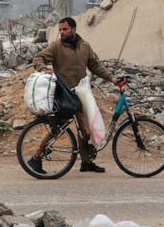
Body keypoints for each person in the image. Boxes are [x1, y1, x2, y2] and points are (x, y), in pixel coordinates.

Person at [31, 16, 115, 173]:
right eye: (60, 30)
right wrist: (44, 69)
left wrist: (111, 77)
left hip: (81, 94)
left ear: (73, 29)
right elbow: (38, 58)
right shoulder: (56, 47)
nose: (62, 32)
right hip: (64, 95)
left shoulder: (85, 47)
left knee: (85, 130)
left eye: (65, 29)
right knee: (59, 128)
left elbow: (96, 65)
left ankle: (86, 163)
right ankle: (35, 158)